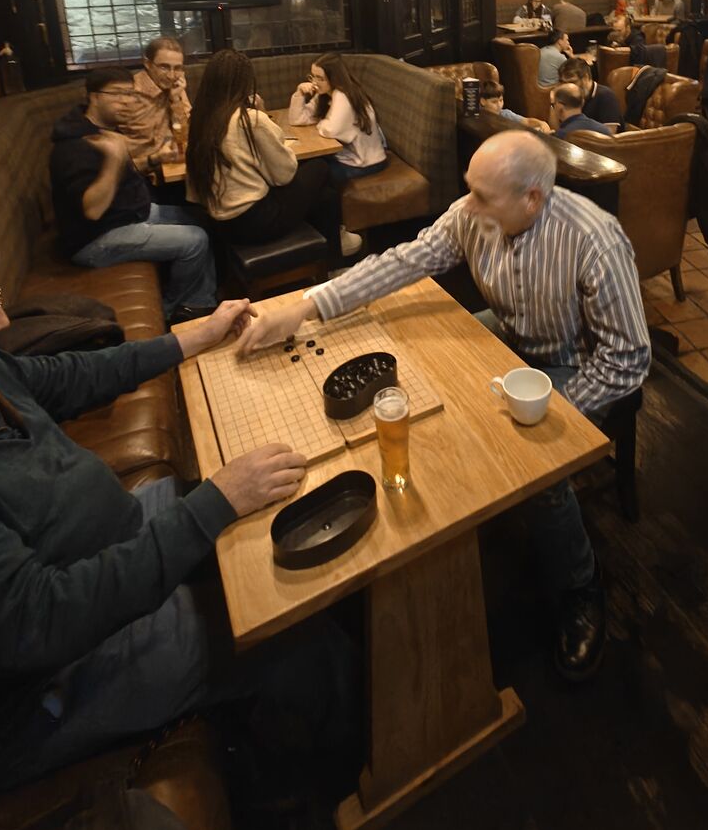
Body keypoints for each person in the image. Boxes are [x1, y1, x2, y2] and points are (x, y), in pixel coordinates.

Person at [0, 227, 356, 797]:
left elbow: (70, 376)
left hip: (109, 534)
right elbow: (48, 620)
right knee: (299, 637)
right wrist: (215, 501)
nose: (2, 324)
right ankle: (319, 793)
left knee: (283, 516)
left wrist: (191, 337)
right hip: (50, 685)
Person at [233, 131, 651, 681]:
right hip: (509, 341)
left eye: (482, 195)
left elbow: (628, 356)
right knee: (428, 379)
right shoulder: (471, 214)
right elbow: (404, 261)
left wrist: (560, 414)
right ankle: (456, 521)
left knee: (541, 466)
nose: (467, 204)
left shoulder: (595, 239)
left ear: (531, 198)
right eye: (469, 190)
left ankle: (580, 585)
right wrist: (306, 307)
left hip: (574, 366)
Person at [50, 68, 216, 322]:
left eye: (130, 94)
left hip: (133, 213)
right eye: (117, 94)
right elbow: (93, 210)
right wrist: (114, 159)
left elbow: (123, 176)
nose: (126, 101)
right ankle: (173, 308)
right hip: (95, 238)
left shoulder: (104, 129)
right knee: (195, 239)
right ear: (93, 96)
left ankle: (201, 300)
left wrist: (155, 159)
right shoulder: (74, 145)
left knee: (204, 217)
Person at [185, 48, 362, 259]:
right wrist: (261, 114)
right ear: (244, 83)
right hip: (257, 223)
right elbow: (283, 174)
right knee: (320, 166)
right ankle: (335, 252)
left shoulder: (200, 118)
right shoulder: (248, 119)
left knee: (324, 194)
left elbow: (194, 190)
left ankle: (333, 248)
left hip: (219, 224)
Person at [288, 53, 387, 187]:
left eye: (320, 78)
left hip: (365, 163)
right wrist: (299, 93)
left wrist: (321, 123)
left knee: (310, 175)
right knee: (305, 168)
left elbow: (331, 130)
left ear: (334, 79)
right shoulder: (325, 95)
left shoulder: (344, 96)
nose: (314, 83)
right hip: (346, 157)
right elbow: (297, 119)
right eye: (313, 76)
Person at [120, 35, 191, 172]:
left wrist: (175, 100)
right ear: (147, 64)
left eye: (177, 68)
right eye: (164, 67)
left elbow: (186, 135)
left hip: (172, 167)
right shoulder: (129, 94)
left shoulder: (176, 88)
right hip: (140, 173)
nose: (171, 75)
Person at [558, 58, 623, 128]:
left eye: (572, 82)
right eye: (563, 83)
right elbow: (558, 131)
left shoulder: (606, 96)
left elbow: (610, 134)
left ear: (585, 78)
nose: (567, 87)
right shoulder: (568, 96)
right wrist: (553, 103)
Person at [480, 80, 551, 132]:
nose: (499, 105)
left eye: (501, 100)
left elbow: (527, 121)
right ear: (483, 101)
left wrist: (541, 123)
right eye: (494, 102)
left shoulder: (505, 114)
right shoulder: (477, 115)